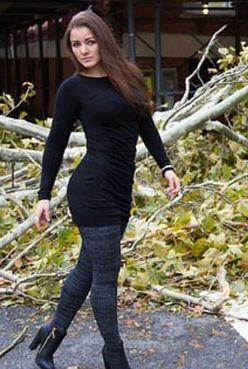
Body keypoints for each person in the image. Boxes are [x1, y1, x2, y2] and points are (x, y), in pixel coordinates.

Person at [29, 8, 180, 369]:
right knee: (106, 276)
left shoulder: (127, 77)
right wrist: (43, 195)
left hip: (118, 190)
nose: (83, 50)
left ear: (103, 40)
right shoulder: (73, 89)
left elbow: (147, 126)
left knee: (87, 270)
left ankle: (49, 342)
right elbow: (55, 143)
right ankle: (114, 355)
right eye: (76, 45)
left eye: (90, 42)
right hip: (91, 190)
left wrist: (167, 166)